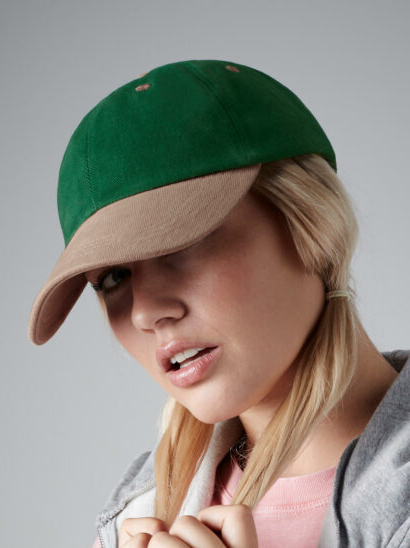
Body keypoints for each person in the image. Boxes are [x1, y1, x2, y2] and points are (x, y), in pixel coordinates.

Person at [28, 59, 410, 548]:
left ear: (312, 224)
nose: (144, 312)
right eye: (113, 278)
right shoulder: (138, 512)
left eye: (180, 243)